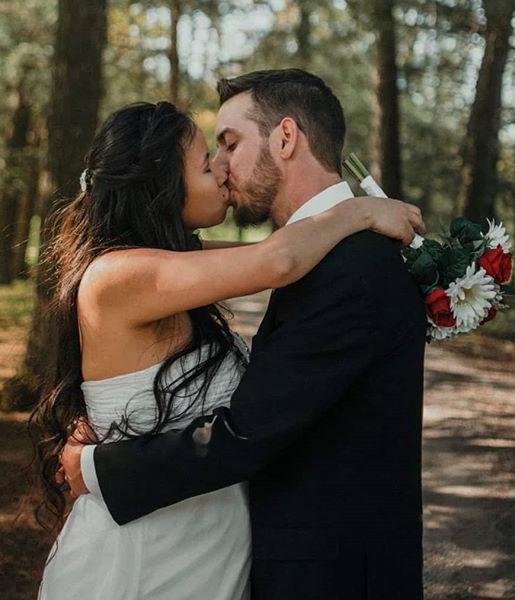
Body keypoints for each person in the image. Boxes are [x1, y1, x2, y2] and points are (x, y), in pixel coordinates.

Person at [35, 93, 424, 600]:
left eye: (225, 150)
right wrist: (362, 213)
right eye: (203, 164)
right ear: (161, 186)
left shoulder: (176, 260)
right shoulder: (118, 274)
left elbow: (281, 254)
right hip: (147, 560)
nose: (220, 171)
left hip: (208, 555)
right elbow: (277, 262)